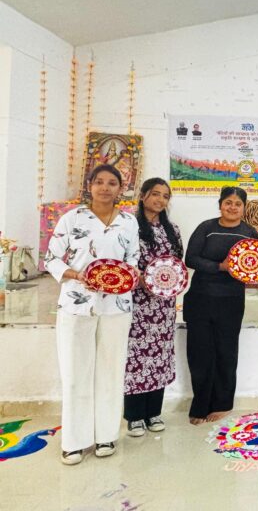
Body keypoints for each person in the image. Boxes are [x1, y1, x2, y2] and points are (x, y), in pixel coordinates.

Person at [44, 164, 140, 465]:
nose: (105, 188)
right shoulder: (72, 218)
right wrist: (76, 274)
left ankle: (106, 435)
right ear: (89, 185)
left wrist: (133, 273)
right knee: (76, 373)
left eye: (112, 183)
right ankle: (75, 441)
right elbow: (51, 258)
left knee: (111, 370)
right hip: (77, 303)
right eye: (99, 182)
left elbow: (133, 258)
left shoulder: (128, 221)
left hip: (117, 306)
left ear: (120, 188)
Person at [184, 186, 258, 425]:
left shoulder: (249, 232)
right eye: (228, 202)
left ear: (244, 208)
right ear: (220, 205)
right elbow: (190, 258)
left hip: (231, 300)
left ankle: (223, 404)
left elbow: (257, 262)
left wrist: (254, 272)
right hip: (201, 298)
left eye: (238, 204)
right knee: (200, 352)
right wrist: (220, 267)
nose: (232, 207)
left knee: (227, 352)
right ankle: (200, 404)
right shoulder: (206, 228)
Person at [124, 178, 183, 437]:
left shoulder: (173, 230)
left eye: (165, 196)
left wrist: (169, 284)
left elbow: (177, 263)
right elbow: (123, 261)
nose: (160, 200)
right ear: (143, 195)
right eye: (156, 194)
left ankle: (153, 412)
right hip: (138, 302)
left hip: (163, 305)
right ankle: (134, 415)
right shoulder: (129, 226)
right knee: (137, 358)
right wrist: (142, 281)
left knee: (159, 356)